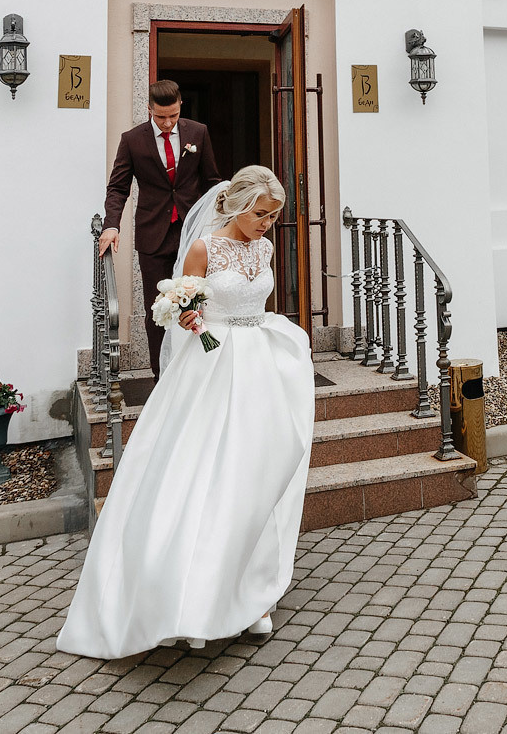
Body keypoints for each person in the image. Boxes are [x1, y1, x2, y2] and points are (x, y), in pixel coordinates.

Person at [59, 166, 316, 657]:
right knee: (205, 473)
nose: (267, 224)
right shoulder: (203, 248)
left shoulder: (263, 247)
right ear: (239, 205)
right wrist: (190, 317)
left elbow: (260, 300)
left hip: (258, 366)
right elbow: (178, 307)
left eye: (273, 216)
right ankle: (192, 596)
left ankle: (248, 588)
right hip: (212, 365)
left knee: (255, 473)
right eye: (261, 214)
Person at [102, 80, 223, 375]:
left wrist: (223, 223)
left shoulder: (198, 132)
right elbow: (118, 188)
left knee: (198, 305)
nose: (167, 123)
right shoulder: (132, 140)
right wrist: (111, 225)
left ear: (180, 105)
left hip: (191, 234)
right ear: (149, 110)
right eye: (160, 117)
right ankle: (163, 377)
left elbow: (211, 182)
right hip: (153, 237)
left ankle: (197, 372)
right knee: (158, 310)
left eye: (173, 115)